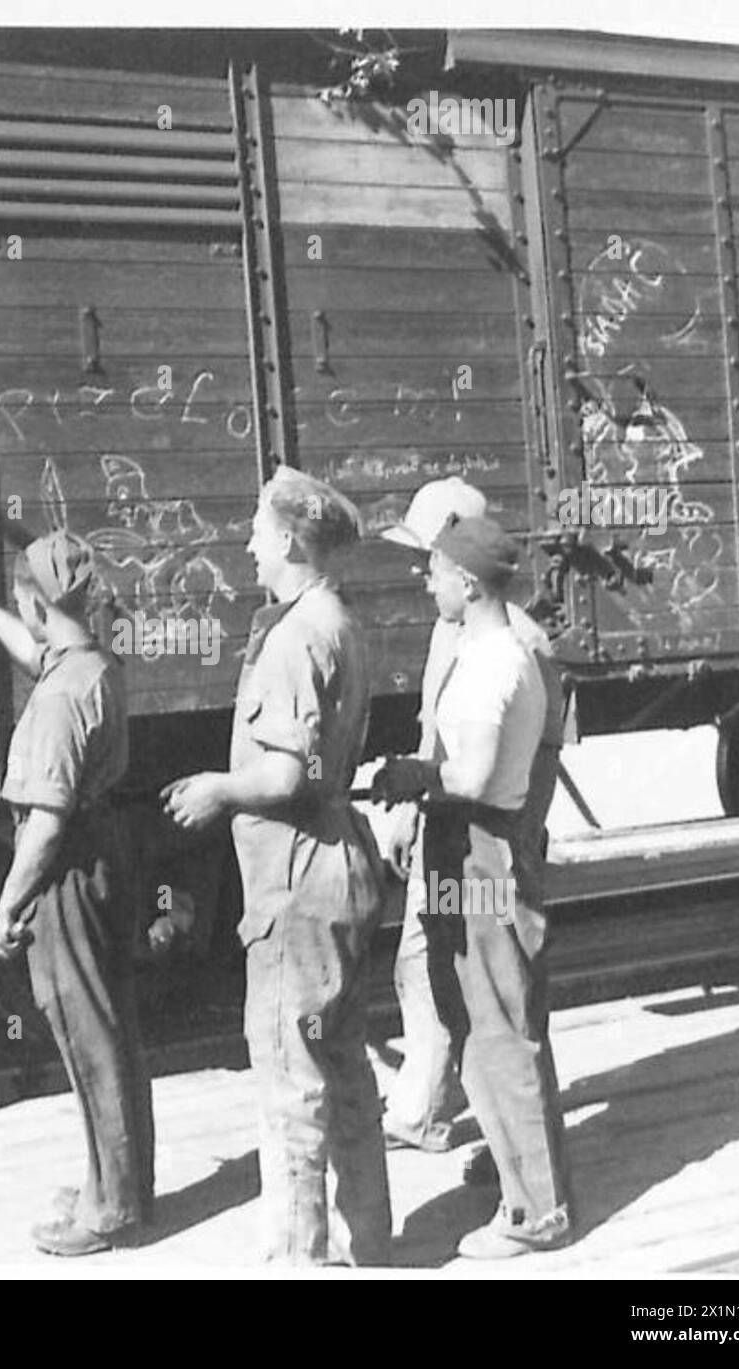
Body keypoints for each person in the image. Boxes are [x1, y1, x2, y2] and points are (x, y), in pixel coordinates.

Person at [162, 466, 391, 1266]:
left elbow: (288, 777)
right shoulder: (338, 621)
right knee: (343, 1061)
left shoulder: (297, 636)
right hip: (336, 863)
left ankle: (299, 1257)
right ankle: (371, 1243)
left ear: (291, 539)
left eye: (258, 532)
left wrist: (219, 788)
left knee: (292, 1076)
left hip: (299, 876)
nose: (250, 547)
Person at [373, 515, 573, 1257]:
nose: (427, 581)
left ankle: (537, 1212)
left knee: (497, 1027)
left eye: (434, 570)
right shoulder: (484, 648)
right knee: (472, 1010)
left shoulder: (494, 662)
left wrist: (414, 776)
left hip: (483, 852)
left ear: (465, 581)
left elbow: (478, 776)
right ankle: (522, 1183)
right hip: (465, 849)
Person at [0, 531, 154, 1256]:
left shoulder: (62, 697)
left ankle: (111, 1209)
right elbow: (37, 651)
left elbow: (43, 826)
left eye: (19, 603)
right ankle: (121, 1183)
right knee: (110, 1029)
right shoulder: (93, 666)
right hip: (100, 857)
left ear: (38, 602)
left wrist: (7, 905)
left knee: (88, 1037)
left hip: (66, 872)